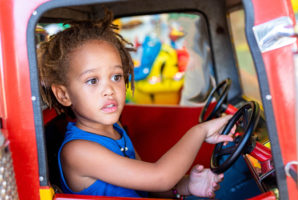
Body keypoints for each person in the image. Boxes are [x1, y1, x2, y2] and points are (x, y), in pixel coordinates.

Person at [37, 9, 234, 198]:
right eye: (92, 80)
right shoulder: (78, 151)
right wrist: (198, 132)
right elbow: (161, 177)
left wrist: (186, 186)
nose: (109, 90)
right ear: (64, 95)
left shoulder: (115, 127)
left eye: (116, 76)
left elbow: (148, 186)